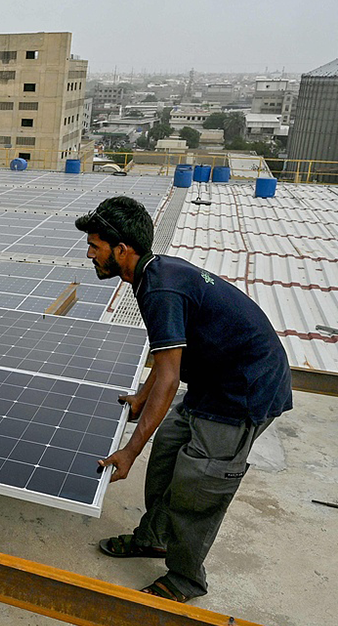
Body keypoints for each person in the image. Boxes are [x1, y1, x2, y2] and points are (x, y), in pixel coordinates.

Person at [74, 195, 292, 602]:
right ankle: (154, 537)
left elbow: (170, 378)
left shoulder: (159, 289)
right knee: (168, 452)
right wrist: (142, 395)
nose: (89, 254)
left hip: (243, 391)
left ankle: (186, 579)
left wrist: (128, 451)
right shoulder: (149, 275)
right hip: (213, 379)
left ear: (121, 250)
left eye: (95, 246)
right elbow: (168, 350)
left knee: (198, 485)